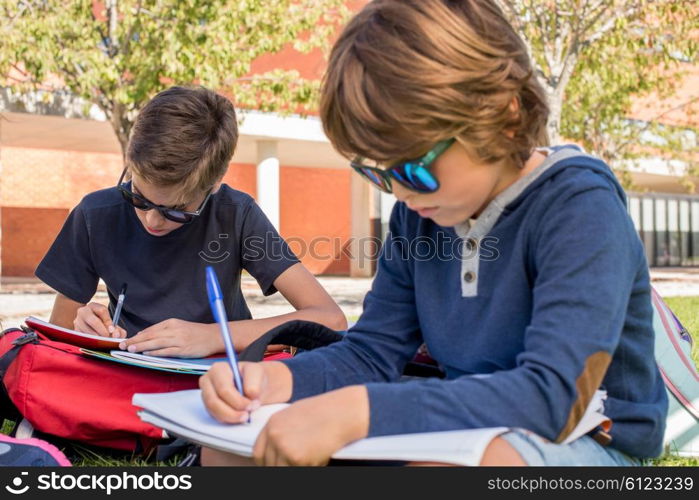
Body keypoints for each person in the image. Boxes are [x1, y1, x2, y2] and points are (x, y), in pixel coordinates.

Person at [198, 0, 667, 465]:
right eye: (379, 173)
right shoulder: (420, 215)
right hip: (466, 419)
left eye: (414, 168)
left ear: (503, 118)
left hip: (587, 437)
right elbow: (372, 352)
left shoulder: (578, 207)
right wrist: (277, 382)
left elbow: (554, 396)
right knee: (230, 451)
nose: (400, 193)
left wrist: (360, 412)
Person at [36, 86, 346, 358]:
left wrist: (213, 336)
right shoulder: (95, 214)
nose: (152, 219)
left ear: (214, 185)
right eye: (139, 198)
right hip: (129, 371)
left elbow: (329, 318)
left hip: (220, 376)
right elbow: (56, 337)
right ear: (130, 164)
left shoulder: (236, 214)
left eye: (175, 210)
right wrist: (86, 328)